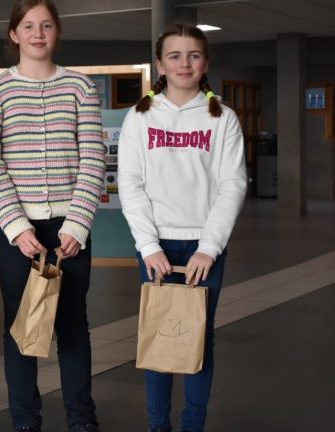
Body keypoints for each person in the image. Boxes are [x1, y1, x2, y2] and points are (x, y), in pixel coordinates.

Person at [0, 0, 105, 432]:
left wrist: (78, 224)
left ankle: (82, 420)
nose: (38, 34)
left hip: (69, 228)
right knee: (22, 326)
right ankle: (25, 422)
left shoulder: (81, 87)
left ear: (57, 32)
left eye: (46, 25)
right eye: (29, 26)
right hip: (17, 231)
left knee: (73, 325)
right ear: (14, 35)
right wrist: (16, 228)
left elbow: (93, 159)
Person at [118, 23, 247, 432]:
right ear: (160, 64)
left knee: (198, 339)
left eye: (193, 55)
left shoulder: (222, 118)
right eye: (174, 56)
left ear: (205, 63)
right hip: (156, 246)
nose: (184, 63)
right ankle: (158, 425)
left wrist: (209, 247)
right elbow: (130, 185)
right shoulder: (140, 117)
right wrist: (148, 245)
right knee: (157, 337)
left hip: (203, 248)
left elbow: (232, 185)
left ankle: (193, 425)